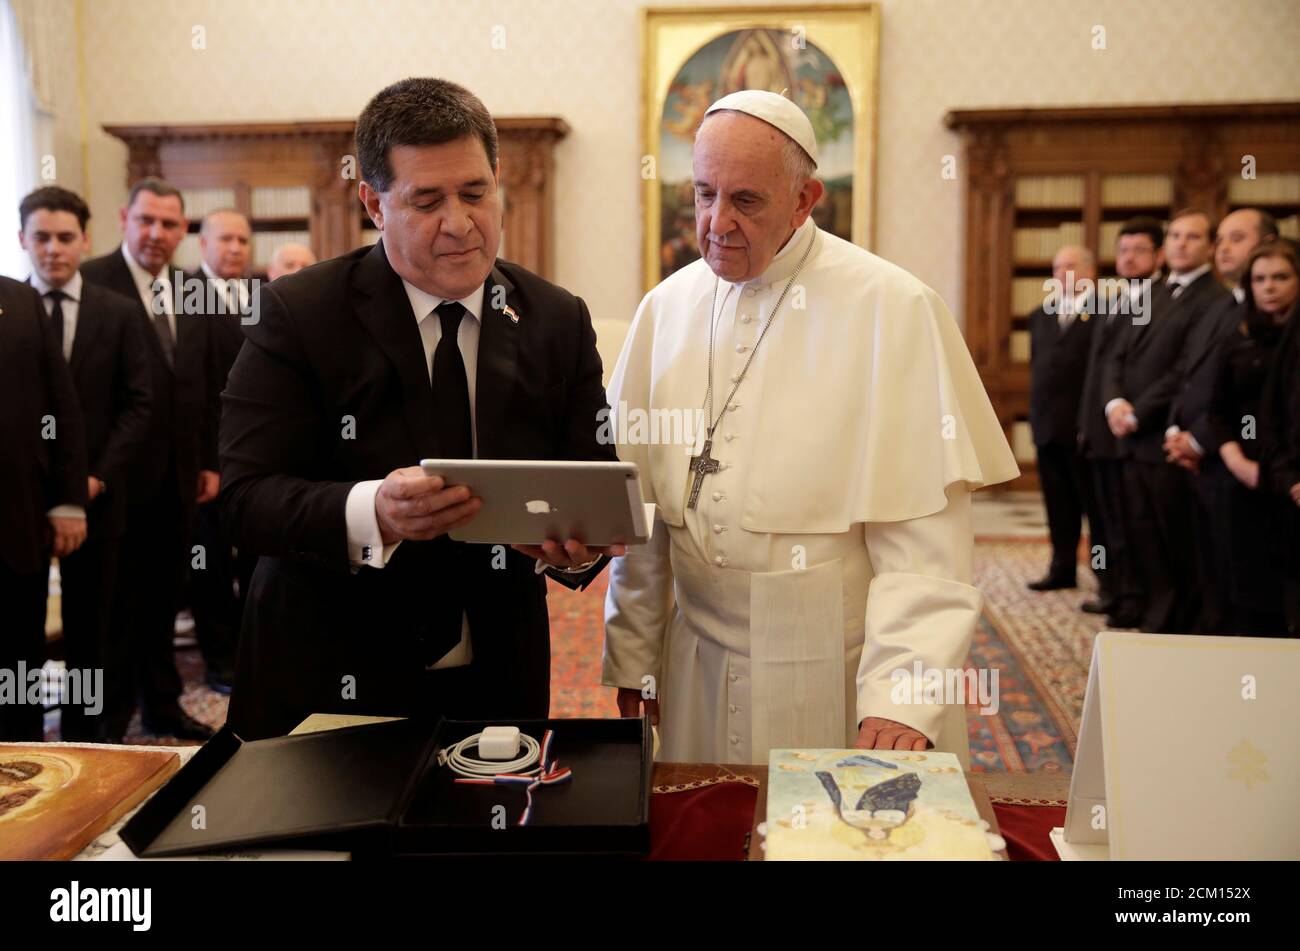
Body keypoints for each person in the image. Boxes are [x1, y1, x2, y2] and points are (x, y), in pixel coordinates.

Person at [603, 91, 1018, 767]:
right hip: (697, 663)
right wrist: (635, 653)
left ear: (804, 200)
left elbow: (925, 544)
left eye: (746, 200)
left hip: (836, 670)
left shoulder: (893, 309)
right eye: (704, 193)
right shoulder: (666, 309)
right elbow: (642, 521)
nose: (716, 223)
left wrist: (902, 694)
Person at [220, 78, 622, 740]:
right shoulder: (300, 313)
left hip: (499, 667)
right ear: (373, 204)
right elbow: (243, 500)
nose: (460, 222)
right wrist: (373, 510)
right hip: (332, 666)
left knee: (487, 838)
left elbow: (592, 477)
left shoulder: (556, 317)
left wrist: (574, 548)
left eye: (475, 192)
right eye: (427, 200)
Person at [80, 178, 217, 740]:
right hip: (111, 480)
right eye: (147, 221)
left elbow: (205, 385)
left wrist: (209, 460)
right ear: (124, 219)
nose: (157, 234)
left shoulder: (192, 289)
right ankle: (106, 724)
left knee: (163, 600)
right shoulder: (90, 281)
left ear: (183, 230)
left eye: (169, 224)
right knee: (110, 610)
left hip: (178, 478)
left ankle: (162, 707)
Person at [17, 186, 152, 741]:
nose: (53, 249)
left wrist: (91, 478)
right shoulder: (8, 312)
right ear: (21, 240)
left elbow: (140, 403)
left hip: (100, 496)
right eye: (41, 238)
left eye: (65, 237)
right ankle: (21, 736)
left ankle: (89, 737)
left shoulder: (117, 313)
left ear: (86, 239)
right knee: (17, 635)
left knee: (93, 629)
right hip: (19, 506)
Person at [1104, 208, 1230, 632]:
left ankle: (1175, 617)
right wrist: (1115, 402)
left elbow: (1185, 367)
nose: (1180, 243)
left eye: (1192, 237)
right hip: (1131, 435)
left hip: (1163, 432)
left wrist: (1139, 411)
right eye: (1174, 235)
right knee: (1140, 530)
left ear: (1210, 246)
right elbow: (1118, 353)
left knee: (1173, 535)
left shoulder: (1215, 298)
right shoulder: (1153, 293)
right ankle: (1151, 608)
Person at [1165, 208, 1277, 632]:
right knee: (1211, 570)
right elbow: (1192, 375)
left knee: (1245, 581)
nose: (1223, 248)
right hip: (1204, 459)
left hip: (1242, 461)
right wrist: (1179, 430)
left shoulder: (1268, 314)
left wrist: (1203, 440)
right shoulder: (1221, 305)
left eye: (1237, 238)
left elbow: (1250, 399)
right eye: (1222, 239)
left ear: (1266, 246)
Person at [0, 275, 88, 740]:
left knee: (18, 659)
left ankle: (27, 764)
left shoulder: (20, 299)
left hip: (17, 519)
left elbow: (61, 403)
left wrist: (69, 498)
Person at [1077, 217, 1163, 624]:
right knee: (1106, 522)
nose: (1128, 258)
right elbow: (1098, 371)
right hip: (1100, 432)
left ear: (1158, 255)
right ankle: (1112, 587)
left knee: (1132, 523)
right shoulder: (1113, 299)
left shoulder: (1159, 301)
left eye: (1139, 250)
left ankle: (1134, 596)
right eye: (1123, 249)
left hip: (1134, 434)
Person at [1210, 242, 1298, 635]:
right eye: (1260, 279)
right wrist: (1237, 462)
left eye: (1281, 277)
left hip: (1291, 474)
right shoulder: (1239, 335)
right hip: (1244, 472)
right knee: (1248, 588)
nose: (1270, 287)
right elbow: (1216, 408)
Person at [186, 208, 255, 692]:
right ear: (204, 245)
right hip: (207, 458)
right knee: (208, 566)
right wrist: (204, 462)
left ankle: (254, 652)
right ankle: (219, 661)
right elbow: (189, 390)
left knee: (256, 558)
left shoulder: (261, 295)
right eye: (225, 239)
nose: (234, 248)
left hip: (254, 456)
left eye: (243, 240)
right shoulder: (186, 295)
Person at [1026, 245, 1102, 593]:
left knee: (1098, 512)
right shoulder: (1040, 316)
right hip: (1048, 428)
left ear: (1090, 271)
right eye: (1057, 267)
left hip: (1087, 430)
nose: (1062, 273)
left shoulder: (1110, 312)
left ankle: (1106, 576)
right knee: (1058, 507)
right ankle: (1061, 569)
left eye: (1070, 266)